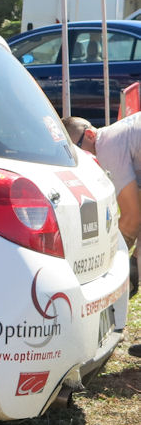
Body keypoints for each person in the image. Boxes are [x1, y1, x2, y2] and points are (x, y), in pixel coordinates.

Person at [62, 115, 141, 358]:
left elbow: (132, 217)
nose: (83, 156)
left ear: (89, 134)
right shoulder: (121, 135)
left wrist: (114, 259)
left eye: (80, 149)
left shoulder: (108, 146)